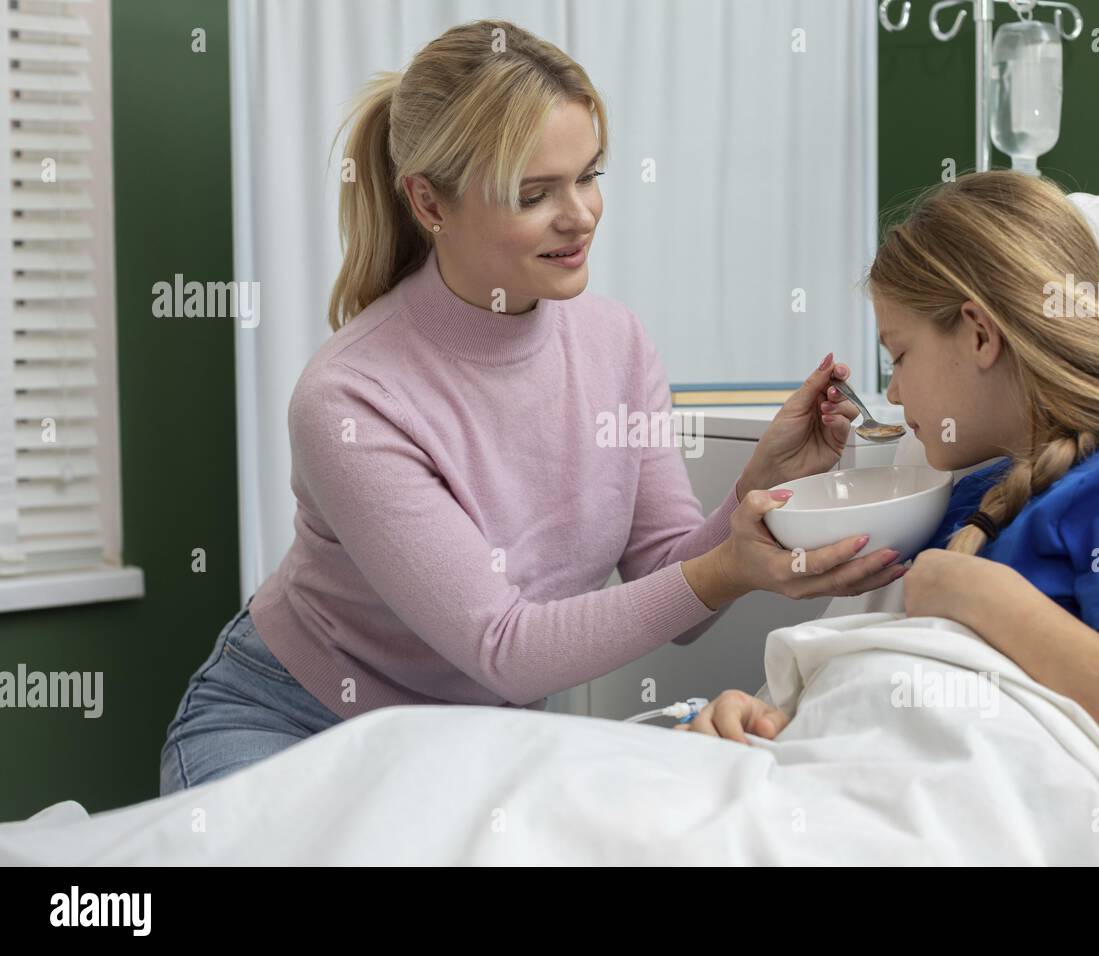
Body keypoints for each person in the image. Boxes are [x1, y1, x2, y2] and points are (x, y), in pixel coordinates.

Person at [159, 19, 901, 795]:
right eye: (533, 193)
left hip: (479, 740)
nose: (579, 214)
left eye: (589, 175)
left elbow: (674, 593)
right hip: (292, 725)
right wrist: (729, 569)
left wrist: (758, 490)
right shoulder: (351, 397)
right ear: (429, 202)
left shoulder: (617, 343)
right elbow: (505, 646)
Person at [679, 170, 1099, 777]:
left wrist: (983, 598)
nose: (893, 390)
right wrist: (763, 720)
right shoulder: (962, 505)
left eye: (899, 355)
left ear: (981, 334)